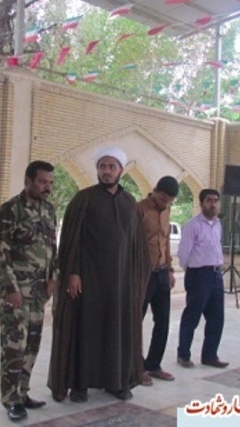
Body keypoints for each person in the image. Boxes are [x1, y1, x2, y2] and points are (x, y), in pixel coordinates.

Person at [48, 147, 150, 403]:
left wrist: (136, 281)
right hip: (88, 281)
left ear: (121, 170)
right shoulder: (83, 199)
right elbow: (71, 240)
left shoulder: (130, 203)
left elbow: (137, 246)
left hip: (121, 284)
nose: (106, 171)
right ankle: (80, 384)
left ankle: (116, 382)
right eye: (102, 166)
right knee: (86, 330)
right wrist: (73, 273)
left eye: (111, 167)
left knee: (117, 330)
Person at [0, 161, 58, 422]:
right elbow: (0, 252)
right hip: (17, 293)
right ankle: (11, 399)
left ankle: (23, 392)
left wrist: (53, 278)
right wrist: (10, 288)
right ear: (28, 180)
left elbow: (53, 248)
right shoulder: (10, 210)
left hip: (39, 293)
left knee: (32, 345)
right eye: (42, 182)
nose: (47, 187)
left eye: (50, 183)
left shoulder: (49, 210)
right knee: (14, 347)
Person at [176, 188, 229, 369]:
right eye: (209, 201)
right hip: (199, 275)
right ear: (201, 203)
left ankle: (209, 356)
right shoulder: (192, 226)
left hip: (216, 274)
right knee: (192, 316)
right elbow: (183, 254)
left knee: (217, 318)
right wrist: (193, 271)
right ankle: (183, 355)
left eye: (215, 200)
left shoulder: (218, 225)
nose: (213, 204)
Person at [137, 176, 179, 386]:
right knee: (136, 321)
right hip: (143, 274)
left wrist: (170, 269)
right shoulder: (139, 210)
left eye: (169, 201)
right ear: (154, 190)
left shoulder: (166, 211)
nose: (165, 203)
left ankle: (153, 365)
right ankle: (136, 367)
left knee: (163, 321)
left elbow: (166, 241)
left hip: (161, 273)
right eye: (162, 198)